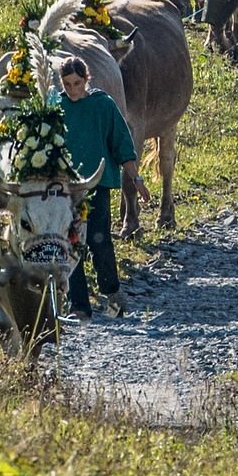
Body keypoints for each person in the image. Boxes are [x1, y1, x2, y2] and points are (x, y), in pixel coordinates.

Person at [53, 56, 149, 320]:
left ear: (87, 79)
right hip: (65, 188)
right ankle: (79, 306)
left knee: (99, 239)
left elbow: (122, 145)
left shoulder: (103, 105)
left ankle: (112, 293)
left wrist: (136, 179)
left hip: (96, 185)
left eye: (77, 83)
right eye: (68, 84)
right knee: (70, 243)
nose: (73, 90)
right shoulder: (55, 106)